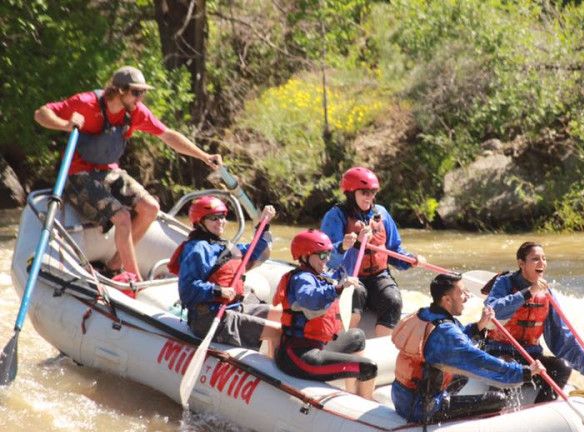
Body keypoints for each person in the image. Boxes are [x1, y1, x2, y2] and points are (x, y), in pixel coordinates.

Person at [34, 65, 223, 281]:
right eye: (136, 92)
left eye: (143, 93)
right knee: (122, 217)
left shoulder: (135, 113)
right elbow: (41, 113)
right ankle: (135, 282)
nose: (140, 98)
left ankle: (114, 267)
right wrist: (65, 124)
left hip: (108, 171)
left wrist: (203, 156)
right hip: (79, 175)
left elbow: (168, 135)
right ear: (119, 90)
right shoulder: (86, 103)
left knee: (151, 208)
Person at [391, 272, 545, 424]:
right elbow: (481, 362)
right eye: (462, 293)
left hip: (403, 397)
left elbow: (455, 341)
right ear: (447, 300)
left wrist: (479, 325)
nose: (467, 297)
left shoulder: (427, 314)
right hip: (422, 408)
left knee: (462, 375)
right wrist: (524, 372)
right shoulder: (446, 333)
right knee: (497, 399)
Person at [484, 241, 584, 402]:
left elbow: (562, 336)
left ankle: (541, 407)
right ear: (521, 263)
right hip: (500, 352)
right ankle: (493, 405)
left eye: (544, 259)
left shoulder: (546, 293)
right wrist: (527, 293)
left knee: (561, 367)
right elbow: (493, 309)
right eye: (535, 259)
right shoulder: (504, 282)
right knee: (509, 367)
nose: (542, 263)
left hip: (531, 355)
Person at [321, 166, 426, 337]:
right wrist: (344, 246)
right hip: (347, 275)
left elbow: (394, 250)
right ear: (351, 193)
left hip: (379, 276)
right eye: (364, 192)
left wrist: (411, 260)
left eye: (372, 192)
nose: (369, 197)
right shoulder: (335, 216)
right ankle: (343, 341)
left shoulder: (382, 214)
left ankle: (380, 350)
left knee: (393, 300)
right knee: (357, 292)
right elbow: (325, 259)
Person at [168, 196, 281, 354]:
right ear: (200, 221)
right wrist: (218, 291)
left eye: (222, 217)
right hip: (208, 317)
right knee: (277, 331)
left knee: (285, 315)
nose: (220, 221)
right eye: (214, 218)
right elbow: (187, 290)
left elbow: (255, 251)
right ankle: (272, 373)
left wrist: (264, 225)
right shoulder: (197, 249)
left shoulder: (222, 246)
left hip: (231, 308)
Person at [272, 229, 378, 399]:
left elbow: (344, 268)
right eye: (322, 255)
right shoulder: (302, 279)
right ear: (306, 256)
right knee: (369, 367)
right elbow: (309, 299)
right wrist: (338, 288)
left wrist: (358, 244)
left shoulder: (320, 275)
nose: (327, 258)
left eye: (328, 253)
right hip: (299, 356)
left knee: (357, 336)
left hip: (318, 345)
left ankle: (351, 394)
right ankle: (366, 406)